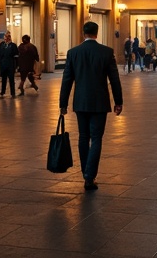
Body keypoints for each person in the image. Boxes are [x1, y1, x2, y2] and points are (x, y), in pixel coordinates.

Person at [59, 21, 123, 191]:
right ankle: (89, 176)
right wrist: (118, 101)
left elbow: (67, 80)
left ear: (83, 33)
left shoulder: (73, 53)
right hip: (100, 102)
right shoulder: (106, 52)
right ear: (97, 33)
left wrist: (63, 103)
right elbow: (114, 79)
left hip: (80, 102)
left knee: (82, 137)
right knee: (96, 138)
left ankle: (85, 173)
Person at [0, 32, 18, 97]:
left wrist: (17, 66)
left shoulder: (13, 45)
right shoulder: (2, 45)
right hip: (3, 64)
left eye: (7, 37)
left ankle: (13, 93)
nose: (6, 39)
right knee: (3, 79)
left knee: (11, 79)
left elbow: (16, 55)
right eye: (5, 38)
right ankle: (2, 92)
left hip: (10, 65)